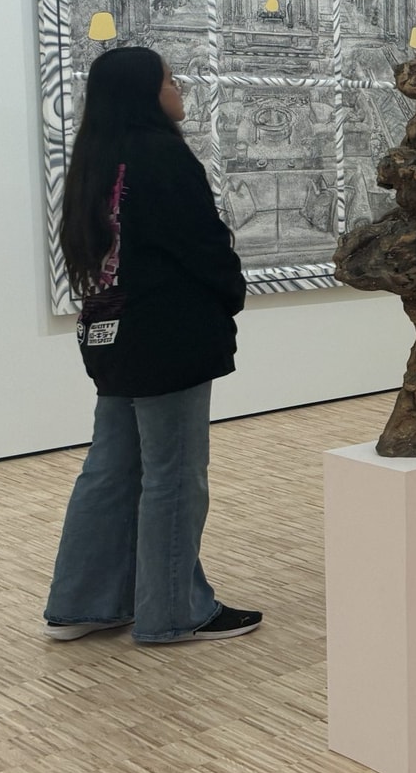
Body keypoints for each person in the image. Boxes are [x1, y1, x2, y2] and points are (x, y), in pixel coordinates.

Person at [43, 46, 262, 644]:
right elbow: (202, 245)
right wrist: (230, 294)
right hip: (168, 337)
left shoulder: (95, 158)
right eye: (169, 77)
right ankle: (174, 611)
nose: (179, 85)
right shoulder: (164, 157)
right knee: (174, 472)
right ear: (146, 91)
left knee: (110, 468)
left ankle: (83, 603)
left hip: (112, 336)